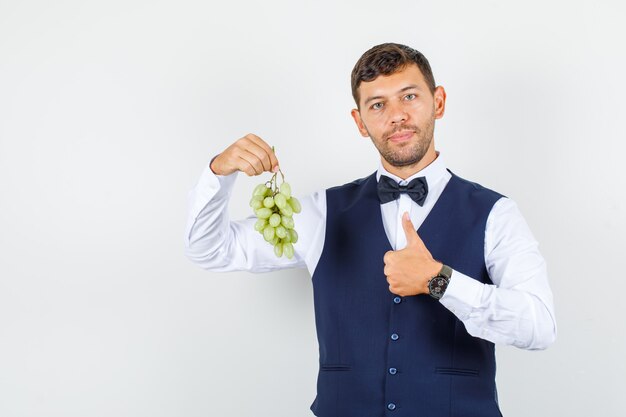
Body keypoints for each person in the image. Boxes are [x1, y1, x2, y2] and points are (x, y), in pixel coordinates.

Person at [184, 43, 556, 417]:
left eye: (409, 96)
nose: (396, 116)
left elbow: (539, 327)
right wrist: (219, 172)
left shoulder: (495, 213)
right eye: (378, 104)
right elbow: (210, 249)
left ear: (438, 102)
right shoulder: (321, 212)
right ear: (360, 121)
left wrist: (438, 280)